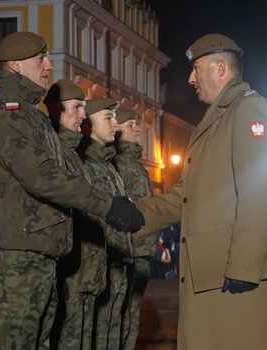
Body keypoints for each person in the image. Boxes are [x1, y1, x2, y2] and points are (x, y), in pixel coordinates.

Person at [0, 31, 143, 350]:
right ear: (16, 66)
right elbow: (43, 176)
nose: (49, 65)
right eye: (40, 59)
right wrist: (109, 206)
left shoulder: (29, 115)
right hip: (14, 251)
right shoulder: (6, 111)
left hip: (34, 248)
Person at [135, 33, 267, 350]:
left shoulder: (249, 109)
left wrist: (244, 268)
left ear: (220, 68)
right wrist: (130, 215)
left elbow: (260, 191)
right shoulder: (217, 119)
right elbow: (184, 196)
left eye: (197, 68)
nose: (191, 78)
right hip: (214, 273)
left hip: (237, 274)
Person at [44, 80, 107, 349]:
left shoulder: (72, 153)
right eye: (77, 107)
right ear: (57, 110)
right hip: (69, 269)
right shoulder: (54, 152)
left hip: (84, 267)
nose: (83, 114)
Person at [78, 98, 132, 349]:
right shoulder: (83, 165)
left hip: (116, 262)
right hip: (94, 266)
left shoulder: (108, 165)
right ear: (88, 124)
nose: (115, 124)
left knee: (111, 333)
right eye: (108, 118)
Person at [113, 107, 160, 350]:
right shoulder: (119, 164)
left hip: (141, 251)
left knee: (131, 318)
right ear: (117, 130)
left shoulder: (134, 164)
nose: (137, 128)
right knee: (120, 320)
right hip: (128, 253)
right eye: (130, 124)